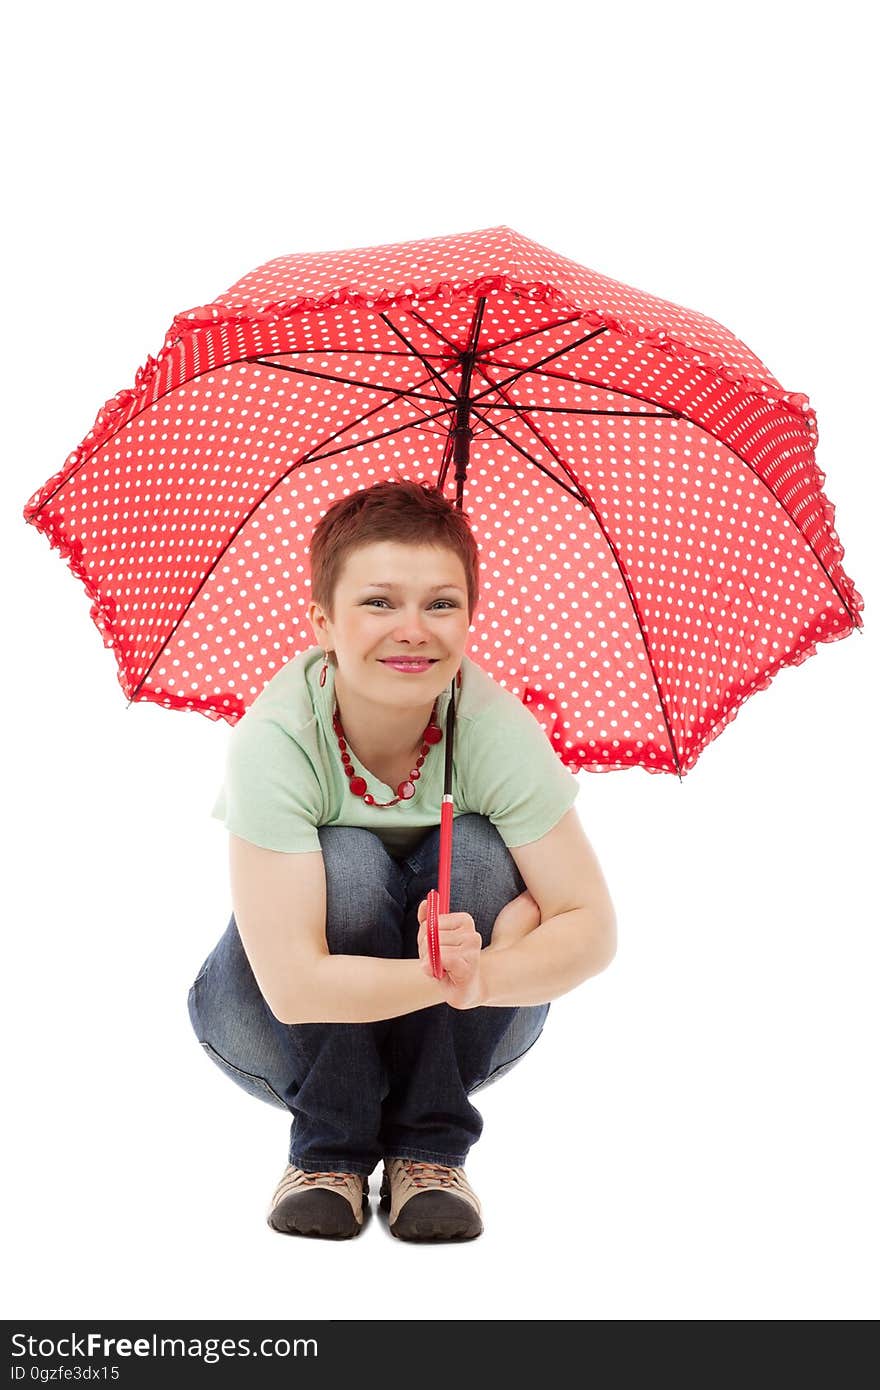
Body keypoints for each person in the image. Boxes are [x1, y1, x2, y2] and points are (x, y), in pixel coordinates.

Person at [188, 479, 617, 1243]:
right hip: (270, 1027)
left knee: (480, 858)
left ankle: (428, 1148)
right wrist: (441, 976)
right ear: (322, 621)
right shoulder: (276, 738)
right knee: (347, 859)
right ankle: (330, 1152)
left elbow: (592, 929)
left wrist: (484, 976)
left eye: (442, 604)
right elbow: (291, 988)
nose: (413, 630)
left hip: (456, 1039)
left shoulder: (492, 728)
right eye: (380, 602)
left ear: (471, 616)